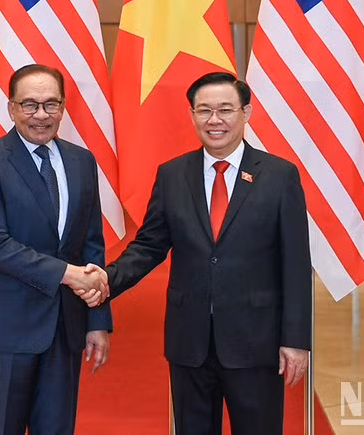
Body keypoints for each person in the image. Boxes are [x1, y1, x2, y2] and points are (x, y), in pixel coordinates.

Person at [97, 72, 311, 434]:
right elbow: (149, 245)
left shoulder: (279, 175)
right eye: (204, 110)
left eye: (226, 110)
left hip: (255, 341)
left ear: (246, 113)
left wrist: (296, 340)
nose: (215, 120)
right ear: (192, 115)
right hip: (189, 342)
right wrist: (105, 280)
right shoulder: (172, 175)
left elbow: (295, 264)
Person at [0, 64, 111, 435]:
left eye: (51, 104)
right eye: (29, 105)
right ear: (11, 108)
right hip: (7, 326)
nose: (41, 115)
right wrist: (67, 274)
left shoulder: (81, 161)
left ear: (62, 108)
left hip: (65, 326)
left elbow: (91, 243)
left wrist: (97, 321)